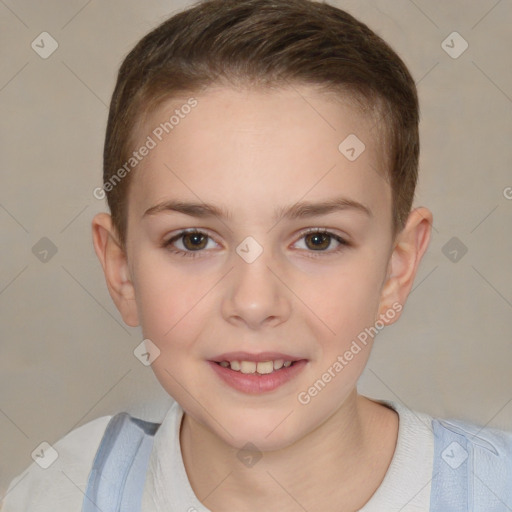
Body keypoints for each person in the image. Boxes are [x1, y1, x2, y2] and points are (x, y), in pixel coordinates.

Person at [3, 0, 512, 510]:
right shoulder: (55, 494)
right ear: (122, 271)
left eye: (318, 240)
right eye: (194, 240)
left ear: (396, 270)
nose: (253, 302)